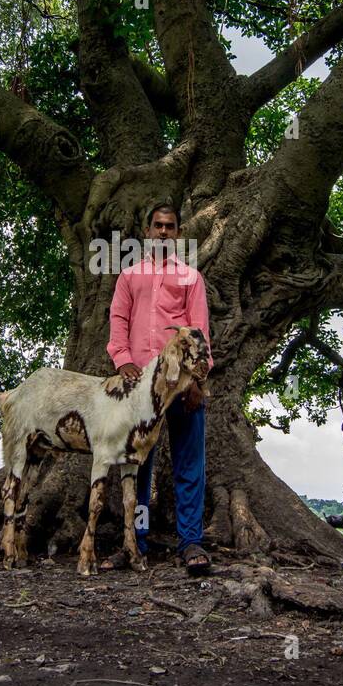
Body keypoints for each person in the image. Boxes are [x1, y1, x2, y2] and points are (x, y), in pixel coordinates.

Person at [103, 203, 213, 575]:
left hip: (181, 385)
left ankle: (190, 543)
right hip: (140, 391)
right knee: (137, 468)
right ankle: (136, 542)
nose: (163, 232)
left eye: (170, 226)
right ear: (147, 232)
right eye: (157, 226)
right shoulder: (129, 277)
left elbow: (199, 332)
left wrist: (197, 379)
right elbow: (118, 320)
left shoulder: (190, 279)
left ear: (178, 233)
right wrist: (122, 361)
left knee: (188, 463)